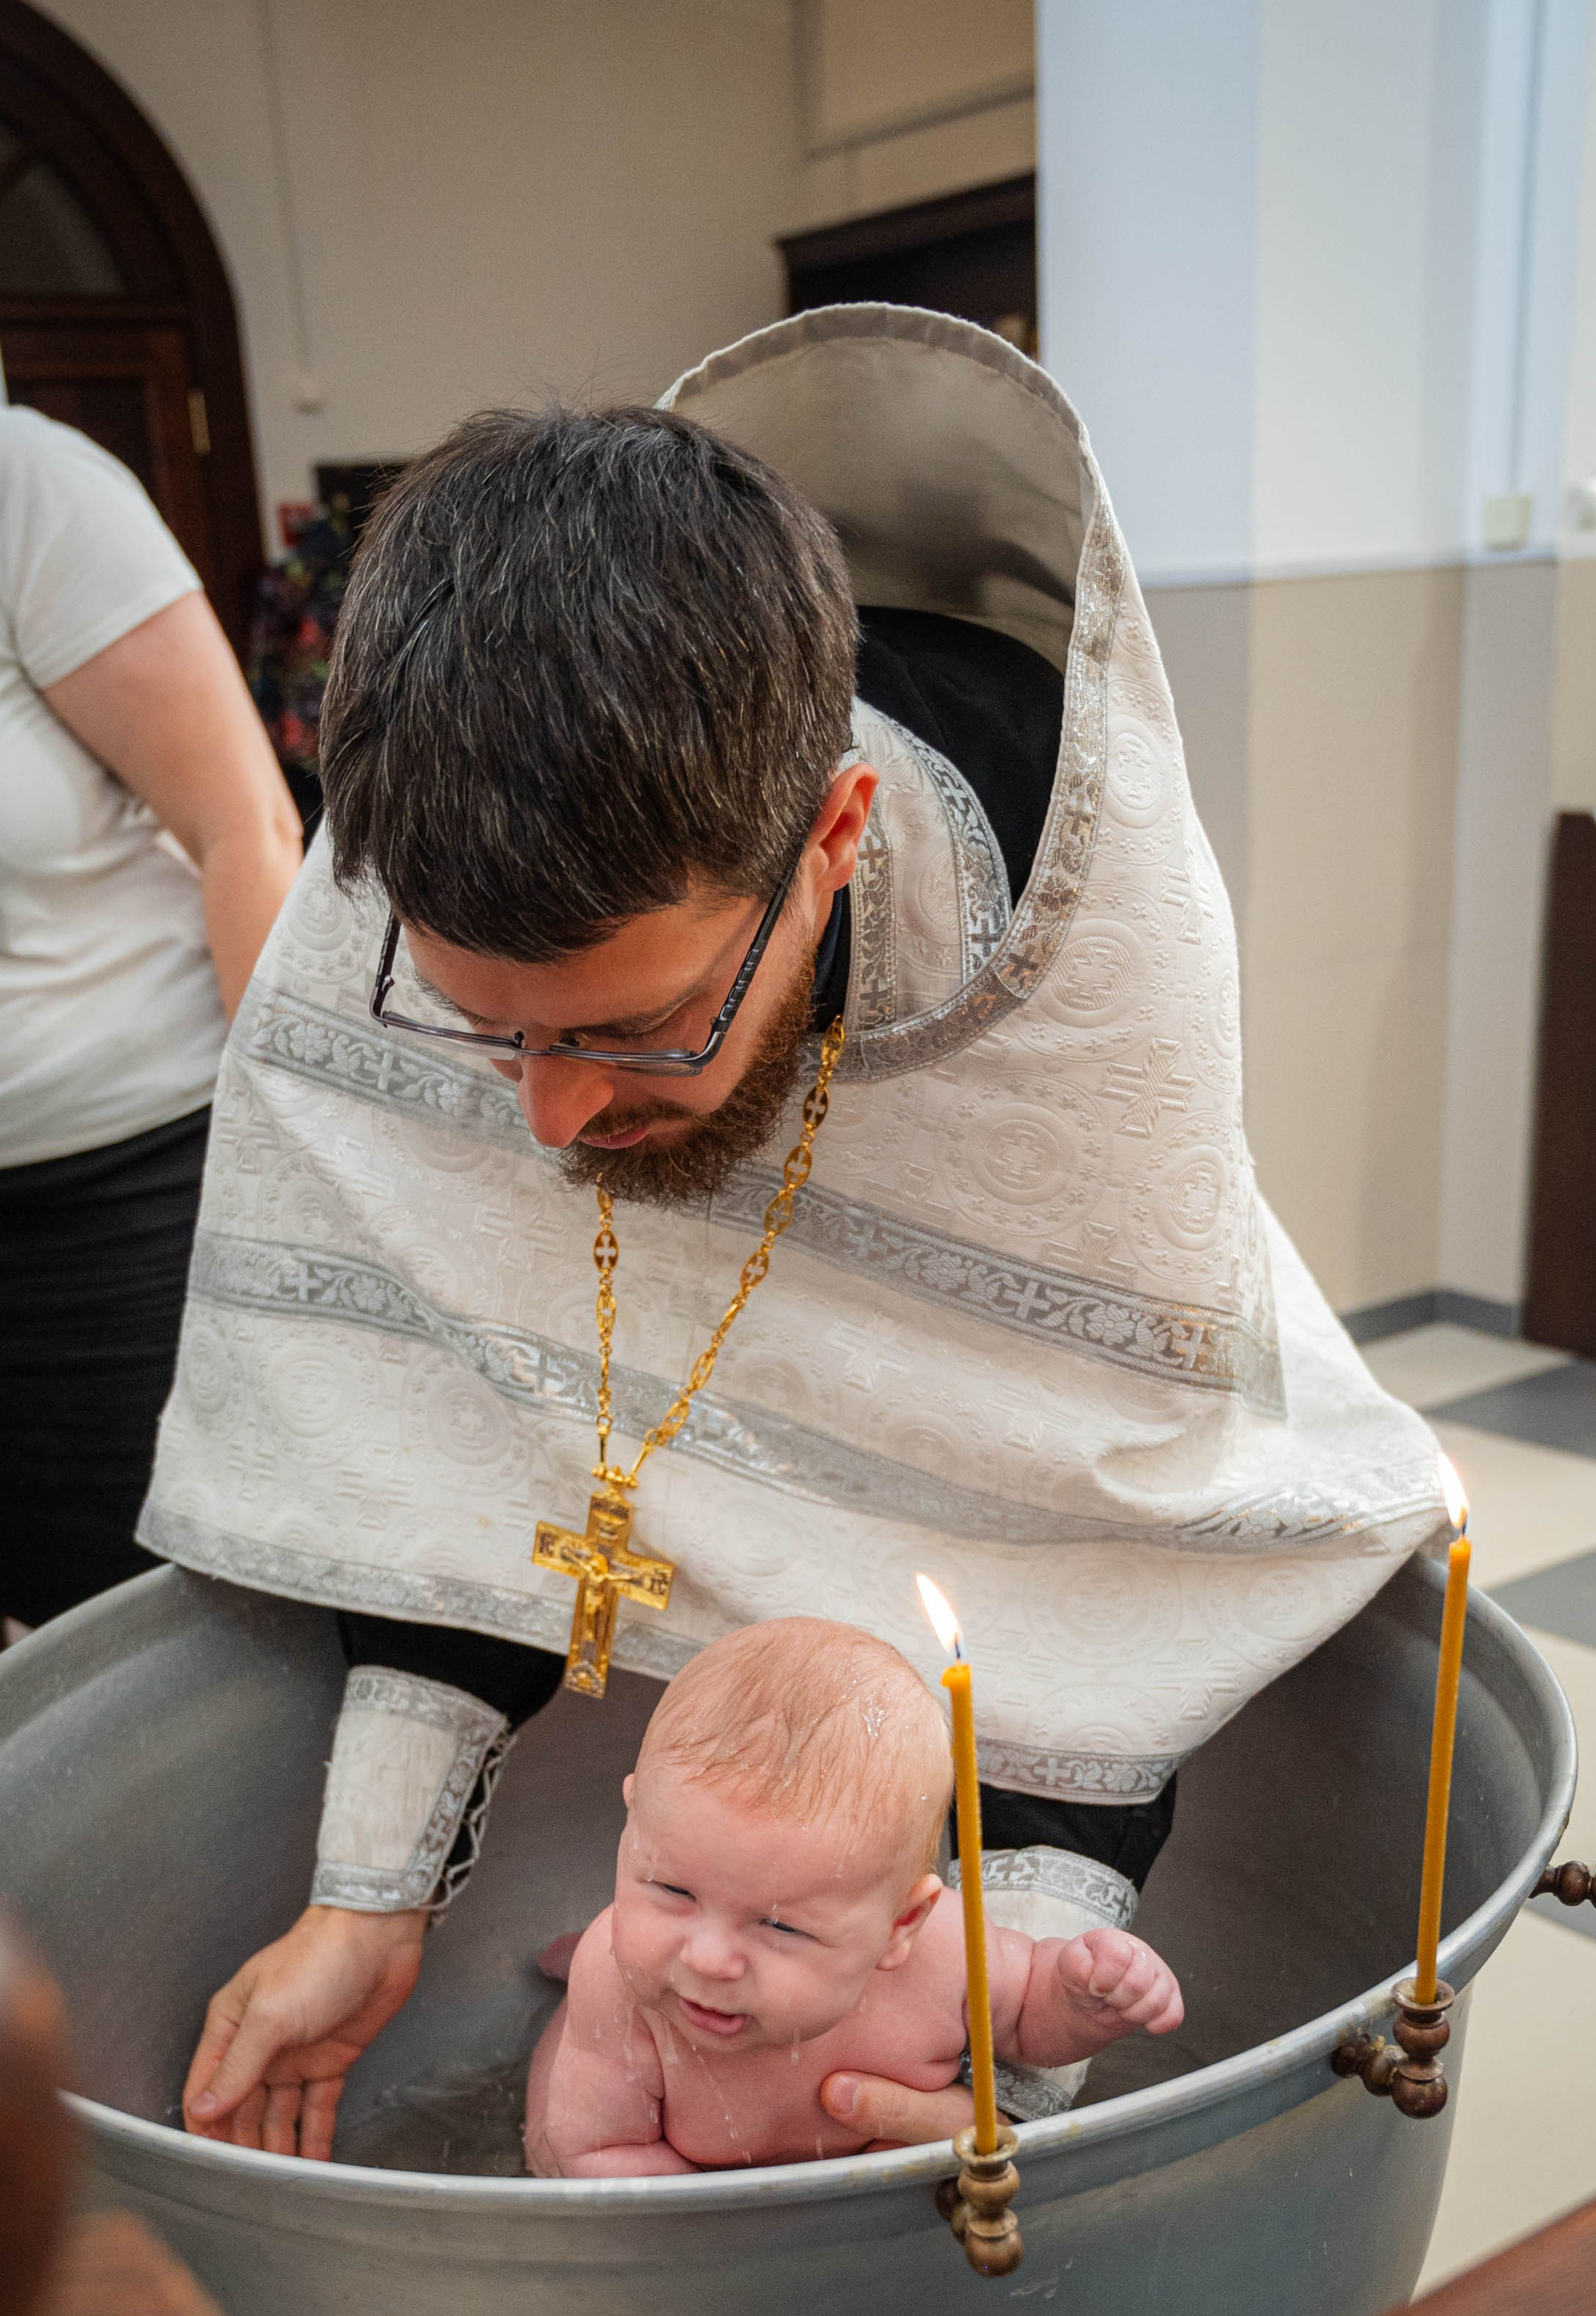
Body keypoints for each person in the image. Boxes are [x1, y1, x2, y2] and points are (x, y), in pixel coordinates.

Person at [159, 308, 1443, 2164]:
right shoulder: (399, 863)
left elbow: (1079, 1574)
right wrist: (372, 1896)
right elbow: (451, 1438)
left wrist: (1014, 2029)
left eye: (625, 1024)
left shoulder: (1092, 971)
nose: (546, 1121)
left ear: (834, 831)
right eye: (487, 1029)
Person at [0, 398, 302, 1630]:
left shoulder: (8, 491)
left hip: (122, 1192)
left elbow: (247, 829)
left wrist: (285, 1168)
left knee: (146, 1632)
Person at [525, 1619, 1184, 2176]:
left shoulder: (950, 1951)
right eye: (672, 1889)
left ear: (902, 1925)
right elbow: (599, 2157)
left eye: (779, 1928)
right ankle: (567, 1969)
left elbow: (1024, 2027)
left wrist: (1086, 1998)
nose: (707, 1959)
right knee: (559, 2100)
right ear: (632, 1818)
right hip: (659, 2166)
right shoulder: (618, 1988)